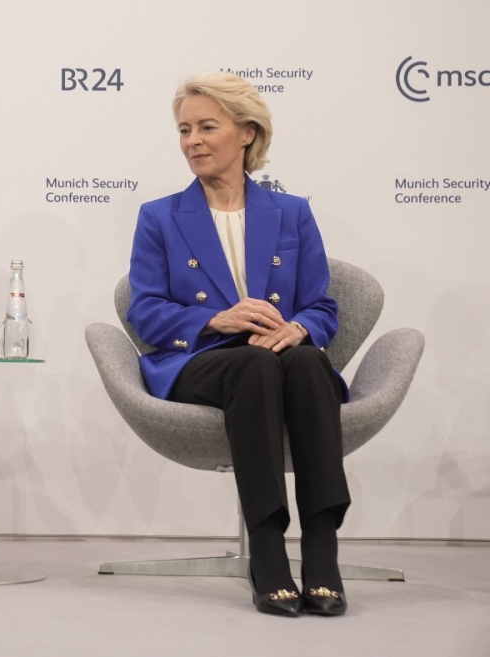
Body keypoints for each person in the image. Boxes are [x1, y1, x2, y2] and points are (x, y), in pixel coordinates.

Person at [127, 71, 349, 617]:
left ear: (246, 133)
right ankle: (269, 553)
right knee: (254, 364)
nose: (193, 141)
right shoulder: (159, 216)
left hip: (279, 357)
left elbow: (321, 306)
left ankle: (322, 551)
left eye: (207, 127)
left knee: (305, 364)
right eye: (184, 130)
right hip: (201, 359)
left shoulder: (292, 212)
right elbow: (144, 309)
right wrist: (216, 319)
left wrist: (299, 329)